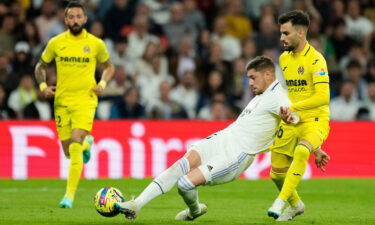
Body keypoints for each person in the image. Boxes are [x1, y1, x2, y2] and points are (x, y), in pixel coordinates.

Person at [114, 56, 330, 220]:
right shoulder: (262, 94)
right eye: (248, 79)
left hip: (236, 155)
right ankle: (137, 204)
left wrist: (315, 147)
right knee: (180, 165)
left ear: (268, 75)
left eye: (253, 78)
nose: (250, 83)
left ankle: (194, 210)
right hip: (222, 137)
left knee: (185, 184)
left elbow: (297, 120)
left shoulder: (280, 97)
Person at [34, 1, 114, 208]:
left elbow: (109, 67)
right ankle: (88, 143)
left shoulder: (96, 43)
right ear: (66, 20)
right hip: (61, 102)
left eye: (79, 17)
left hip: (85, 100)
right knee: (69, 151)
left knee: (76, 141)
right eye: (71, 17)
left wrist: (102, 83)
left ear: (85, 19)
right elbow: (40, 66)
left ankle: (68, 196)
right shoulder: (56, 42)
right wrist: (43, 86)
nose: (75, 20)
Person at [267, 10, 331, 221]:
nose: (281, 38)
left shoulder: (316, 60)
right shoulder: (284, 59)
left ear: (301, 33)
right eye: (281, 33)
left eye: (286, 33)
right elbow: (293, 93)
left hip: (316, 121)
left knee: (302, 152)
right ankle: (296, 205)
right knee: (276, 173)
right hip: (293, 120)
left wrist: (294, 109)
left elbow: (323, 97)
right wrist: (289, 111)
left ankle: (280, 201)